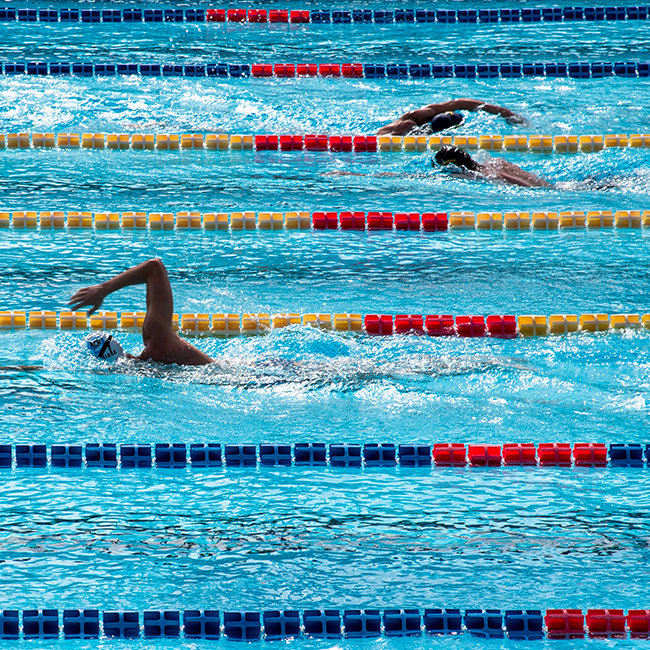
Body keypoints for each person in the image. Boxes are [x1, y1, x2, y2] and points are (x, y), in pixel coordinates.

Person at [69, 258, 214, 366]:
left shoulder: (157, 344)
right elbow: (153, 267)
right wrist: (103, 289)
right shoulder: (157, 341)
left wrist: (103, 288)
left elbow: (155, 266)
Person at [377, 97, 526, 136]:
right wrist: (504, 112)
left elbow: (460, 102)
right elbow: (460, 102)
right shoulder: (414, 120)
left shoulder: (422, 117)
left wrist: (504, 112)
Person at [434, 145, 552, 188]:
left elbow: (527, 187)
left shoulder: (476, 175)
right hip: (548, 185)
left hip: (537, 191)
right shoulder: (495, 161)